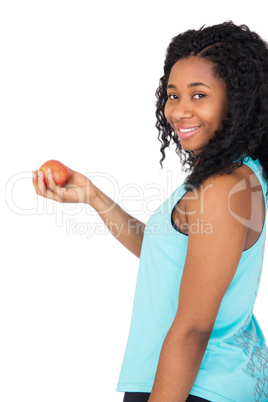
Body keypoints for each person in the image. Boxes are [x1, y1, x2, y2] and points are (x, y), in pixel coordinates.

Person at [32, 21, 268, 402]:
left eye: (199, 95)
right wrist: (93, 196)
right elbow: (165, 252)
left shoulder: (223, 187)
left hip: (192, 387)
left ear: (236, 100)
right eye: (173, 95)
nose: (179, 111)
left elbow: (193, 328)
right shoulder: (235, 175)